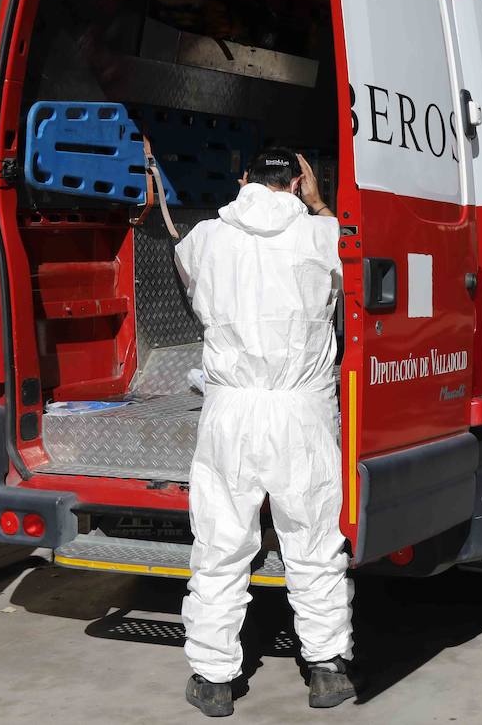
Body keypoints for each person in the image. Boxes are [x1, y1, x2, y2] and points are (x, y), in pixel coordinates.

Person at [174, 149, 355, 716]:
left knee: (221, 544)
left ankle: (212, 678)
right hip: (299, 410)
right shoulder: (322, 235)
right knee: (314, 540)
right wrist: (319, 202)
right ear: (297, 181)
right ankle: (326, 669)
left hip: (230, 409)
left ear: (244, 179)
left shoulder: (206, 237)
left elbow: (188, 274)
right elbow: (354, 270)